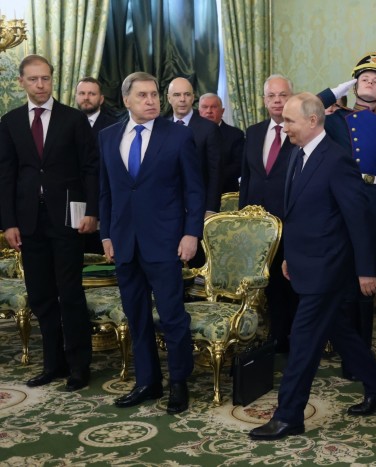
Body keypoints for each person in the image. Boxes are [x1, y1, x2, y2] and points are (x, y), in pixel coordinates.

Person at [249, 93, 376, 441]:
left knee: (302, 341)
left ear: (313, 121)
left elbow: (357, 218)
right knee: (340, 331)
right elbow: (298, 214)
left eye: (290, 121)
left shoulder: (337, 160)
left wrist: (365, 270)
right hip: (304, 261)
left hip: (329, 267)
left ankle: (289, 416)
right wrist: (289, 256)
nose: (284, 127)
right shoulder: (298, 154)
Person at [99, 72, 205, 415]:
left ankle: (178, 382)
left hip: (166, 242)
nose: (151, 100)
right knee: (137, 316)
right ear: (126, 100)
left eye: (155, 95)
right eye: (143, 95)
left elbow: (194, 190)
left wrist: (191, 233)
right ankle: (147, 381)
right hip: (124, 243)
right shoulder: (108, 136)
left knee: (173, 317)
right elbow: (106, 191)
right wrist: (106, 234)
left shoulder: (178, 136)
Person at [0, 54, 97, 391]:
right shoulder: (10, 122)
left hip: (69, 219)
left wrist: (92, 212)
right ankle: (52, 364)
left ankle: (79, 366)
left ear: (53, 80)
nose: (40, 85)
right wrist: (8, 222)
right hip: (28, 221)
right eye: (33, 80)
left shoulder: (73, 119)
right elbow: (6, 175)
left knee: (70, 294)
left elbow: (90, 169)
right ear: (22, 82)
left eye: (46, 79)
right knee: (41, 296)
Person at [318, 52, 376, 377]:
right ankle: (346, 351)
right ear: (354, 85)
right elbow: (306, 106)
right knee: (346, 283)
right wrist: (335, 92)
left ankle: (361, 358)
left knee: (369, 286)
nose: (370, 82)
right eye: (364, 78)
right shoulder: (336, 119)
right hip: (345, 205)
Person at [239, 74, 298, 353]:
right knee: (267, 281)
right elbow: (248, 178)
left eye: (282, 95)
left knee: (289, 282)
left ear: (291, 97)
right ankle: (275, 334)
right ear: (264, 100)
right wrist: (242, 219)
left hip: (289, 221)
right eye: (271, 96)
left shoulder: (300, 134)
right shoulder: (253, 132)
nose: (277, 100)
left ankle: (291, 337)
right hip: (257, 224)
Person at [166, 77, 223, 215]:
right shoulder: (161, 128)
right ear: (169, 98)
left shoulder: (209, 129)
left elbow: (215, 173)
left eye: (187, 94)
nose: (182, 99)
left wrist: (211, 208)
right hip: (166, 208)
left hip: (198, 208)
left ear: (193, 98)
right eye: (177, 95)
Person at [75, 76, 119, 254]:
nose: (86, 97)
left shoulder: (115, 127)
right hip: (71, 205)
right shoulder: (66, 123)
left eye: (91, 94)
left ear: (101, 98)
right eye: (82, 93)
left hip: (104, 205)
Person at [198, 93, 245, 193]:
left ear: (222, 111)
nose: (209, 111)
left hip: (226, 194)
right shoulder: (191, 133)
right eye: (205, 107)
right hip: (197, 192)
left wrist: (213, 177)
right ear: (199, 111)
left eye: (214, 107)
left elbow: (239, 166)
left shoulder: (236, 135)